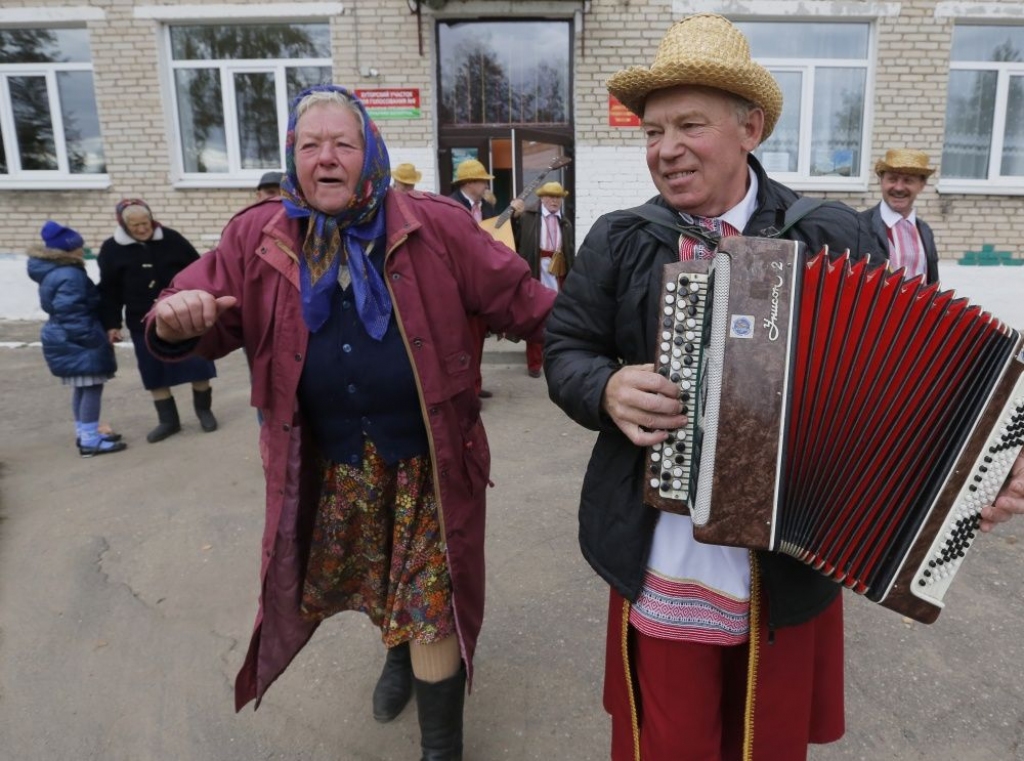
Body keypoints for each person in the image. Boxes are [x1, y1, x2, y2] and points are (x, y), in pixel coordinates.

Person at [544, 13, 1024, 760]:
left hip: (788, 555)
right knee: (670, 738)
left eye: (690, 125)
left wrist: (986, 467)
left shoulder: (829, 233)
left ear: (751, 128)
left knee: (765, 736)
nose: (665, 149)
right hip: (661, 544)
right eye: (653, 131)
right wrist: (604, 388)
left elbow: (902, 378)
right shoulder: (620, 237)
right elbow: (565, 347)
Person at [145, 85, 554, 761]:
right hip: (330, 460)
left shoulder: (436, 225)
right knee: (376, 576)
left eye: (342, 143)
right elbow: (196, 308)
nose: (325, 157)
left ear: (371, 153)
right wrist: (174, 318)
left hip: (430, 459)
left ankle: (441, 749)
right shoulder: (259, 235)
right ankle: (395, 654)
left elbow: (524, 300)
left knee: (430, 602)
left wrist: (602, 358)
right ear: (292, 157)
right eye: (310, 145)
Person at [97, 200, 219, 443]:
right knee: (153, 370)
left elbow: (197, 270)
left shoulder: (172, 239)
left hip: (182, 313)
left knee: (197, 363)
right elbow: (109, 290)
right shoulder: (112, 249)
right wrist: (112, 324)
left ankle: (204, 411)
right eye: (135, 225)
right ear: (123, 224)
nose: (143, 229)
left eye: (146, 223)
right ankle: (168, 421)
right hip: (141, 320)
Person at [27, 221, 127, 458]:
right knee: (91, 387)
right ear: (68, 248)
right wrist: (91, 339)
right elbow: (71, 312)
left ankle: (85, 433)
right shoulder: (69, 274)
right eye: (79, 246)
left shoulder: (56, 271)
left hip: (66, 337)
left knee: (82, 387)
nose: (83, 249)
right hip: (78, 340)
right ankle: (90, 441)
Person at [509, 181, 575, 378]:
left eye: (558, 197)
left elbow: (569, 250)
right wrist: (513, 215)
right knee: (535, 316)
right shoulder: (528, 217)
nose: (554, 201)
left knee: (558, 316)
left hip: (558, 272)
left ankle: (554, 358)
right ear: (542, 198)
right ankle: (534, 362)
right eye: (551, 196)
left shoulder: (565, 222)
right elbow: (513, 237)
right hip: (536, 270)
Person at [448, 158, 498, 399]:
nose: (486, 186)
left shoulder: (487, 208)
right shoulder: (450, 206)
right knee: (461, 340)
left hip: (482, 282)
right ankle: (463, 389)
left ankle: (475, 385)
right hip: (458, 283)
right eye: (482, 181)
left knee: (478, 336)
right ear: (469, 183)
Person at [861, 148, 939, 283]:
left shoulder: (925, 230)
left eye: (908, 181)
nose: (898, 188)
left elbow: (932, 282)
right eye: (892, 179)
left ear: (921, 185)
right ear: (881, 181)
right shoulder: (860, 225)